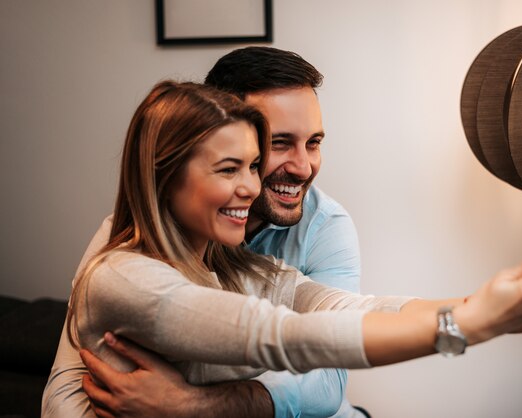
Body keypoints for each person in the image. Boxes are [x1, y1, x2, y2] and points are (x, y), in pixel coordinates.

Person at [43, 80, 522, 418]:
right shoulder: (123, 275)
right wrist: (470, 327)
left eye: (252, 165)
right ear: (163, 177)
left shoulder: (236, 263)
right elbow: (283, 337)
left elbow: (348, 307)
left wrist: (487, 307)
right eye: (230, 168)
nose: (252, 187)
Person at [44, 46, 368, 418]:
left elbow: (328, 381)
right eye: (279, 143)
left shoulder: (326, 226)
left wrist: (190, 405)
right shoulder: (133, 237)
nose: (303, 167)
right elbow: (68, 383)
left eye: (313, 143)